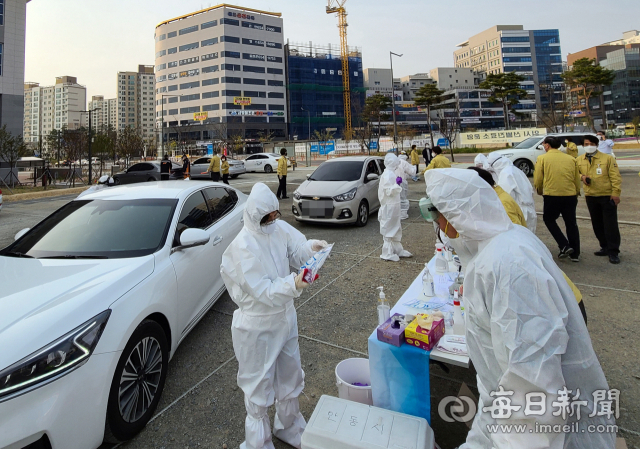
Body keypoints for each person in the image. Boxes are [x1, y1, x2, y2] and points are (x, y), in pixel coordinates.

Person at [423, 168, 615, 449]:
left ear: (454, 218)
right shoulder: (499, 248)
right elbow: (497, 387)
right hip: (508, 415)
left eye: (436, 216)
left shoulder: (510, 267)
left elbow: (533, 393)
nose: (438, 227)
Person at [220, 183, 328, 449]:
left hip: (285, 316)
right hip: (258, 326)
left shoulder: (277, 228)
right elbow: (264, 292)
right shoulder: (241, 248)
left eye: (275, 215)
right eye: (267, 217)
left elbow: (295, 250)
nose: (272, 220)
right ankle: (259, 442)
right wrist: (294, 283)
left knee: (291, 375)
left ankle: (289, 427)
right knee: (259, 386)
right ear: (256, 216)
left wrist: (313, 249)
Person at [534, 136, 581, 262]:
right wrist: (576, 191)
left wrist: (539, 190)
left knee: (549, 219)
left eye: (544, 144)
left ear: (547, 145)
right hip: (570, 195)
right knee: (571, 223)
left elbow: (538, 178)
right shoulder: (571, 159)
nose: (543, 147)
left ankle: (564, 245)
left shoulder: (542, 158)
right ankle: (575, 253)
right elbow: (576, 178)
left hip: (552, 195)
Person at [577, 135, 623, 264]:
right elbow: (575, 173)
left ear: (597, 145)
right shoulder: (579, 160)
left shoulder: (607, 158)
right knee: (597, 224)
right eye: (586, 144)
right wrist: (582, 177)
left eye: (592, 143)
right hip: (591, 196)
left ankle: (613, 251)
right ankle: (604, 246)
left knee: (610, 225)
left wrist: (615, 194)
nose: (589, 146)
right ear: (583, 145)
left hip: (606, 195)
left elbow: (615, 177)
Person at [487, 152, 537, 233]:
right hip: (529, 210)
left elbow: (506, 197)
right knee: (530, 239)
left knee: (521, 239)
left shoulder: (505, 174)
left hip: (520, 211)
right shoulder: (515, 170)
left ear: (496, 165)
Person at [378, 153, 412, 261]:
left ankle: (398, 250)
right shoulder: (388, 174)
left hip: (394, 205)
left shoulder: (391, 173)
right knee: (388, 228)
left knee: (396, 227)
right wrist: (397, 185)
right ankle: (387, 253)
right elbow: (388, 191)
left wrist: (397, 184)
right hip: (389, 206)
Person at [396, 154, 417, 220]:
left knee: (395, 198)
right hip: (401, 182)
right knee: (402, 198)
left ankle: (396, 213)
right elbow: (412, 172)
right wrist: (414, 167)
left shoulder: (394, 162)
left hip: (392, 181)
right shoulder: (404, 162)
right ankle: (403, 215)